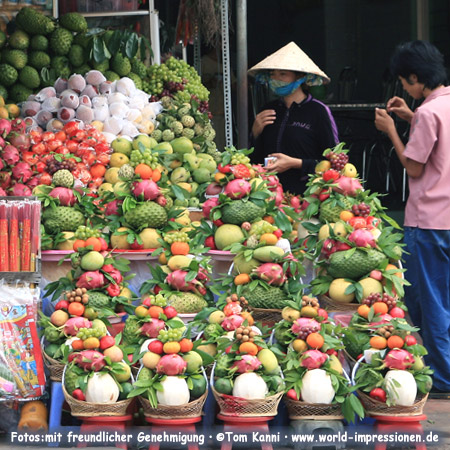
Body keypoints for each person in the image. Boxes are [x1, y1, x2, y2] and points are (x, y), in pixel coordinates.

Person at [374, 40, 450, 399]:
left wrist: (391, 129)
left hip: (429, 222)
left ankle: (445, 378)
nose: (403, 88)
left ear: (417, 78)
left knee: (429, 301)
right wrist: (409, 116)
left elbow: (415, 167)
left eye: (405, 82)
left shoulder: (427, 114)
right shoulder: (442, 105)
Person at [248, 42, 339, 195]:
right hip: (269, 195)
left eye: (282, 74)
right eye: (272, 74)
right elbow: (253, 159)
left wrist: (295, 163)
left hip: (307, 196)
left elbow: (334, 163)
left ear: (301, 77)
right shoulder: (267, 110)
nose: (276, 79)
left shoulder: (318, 111)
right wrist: (255, 133)